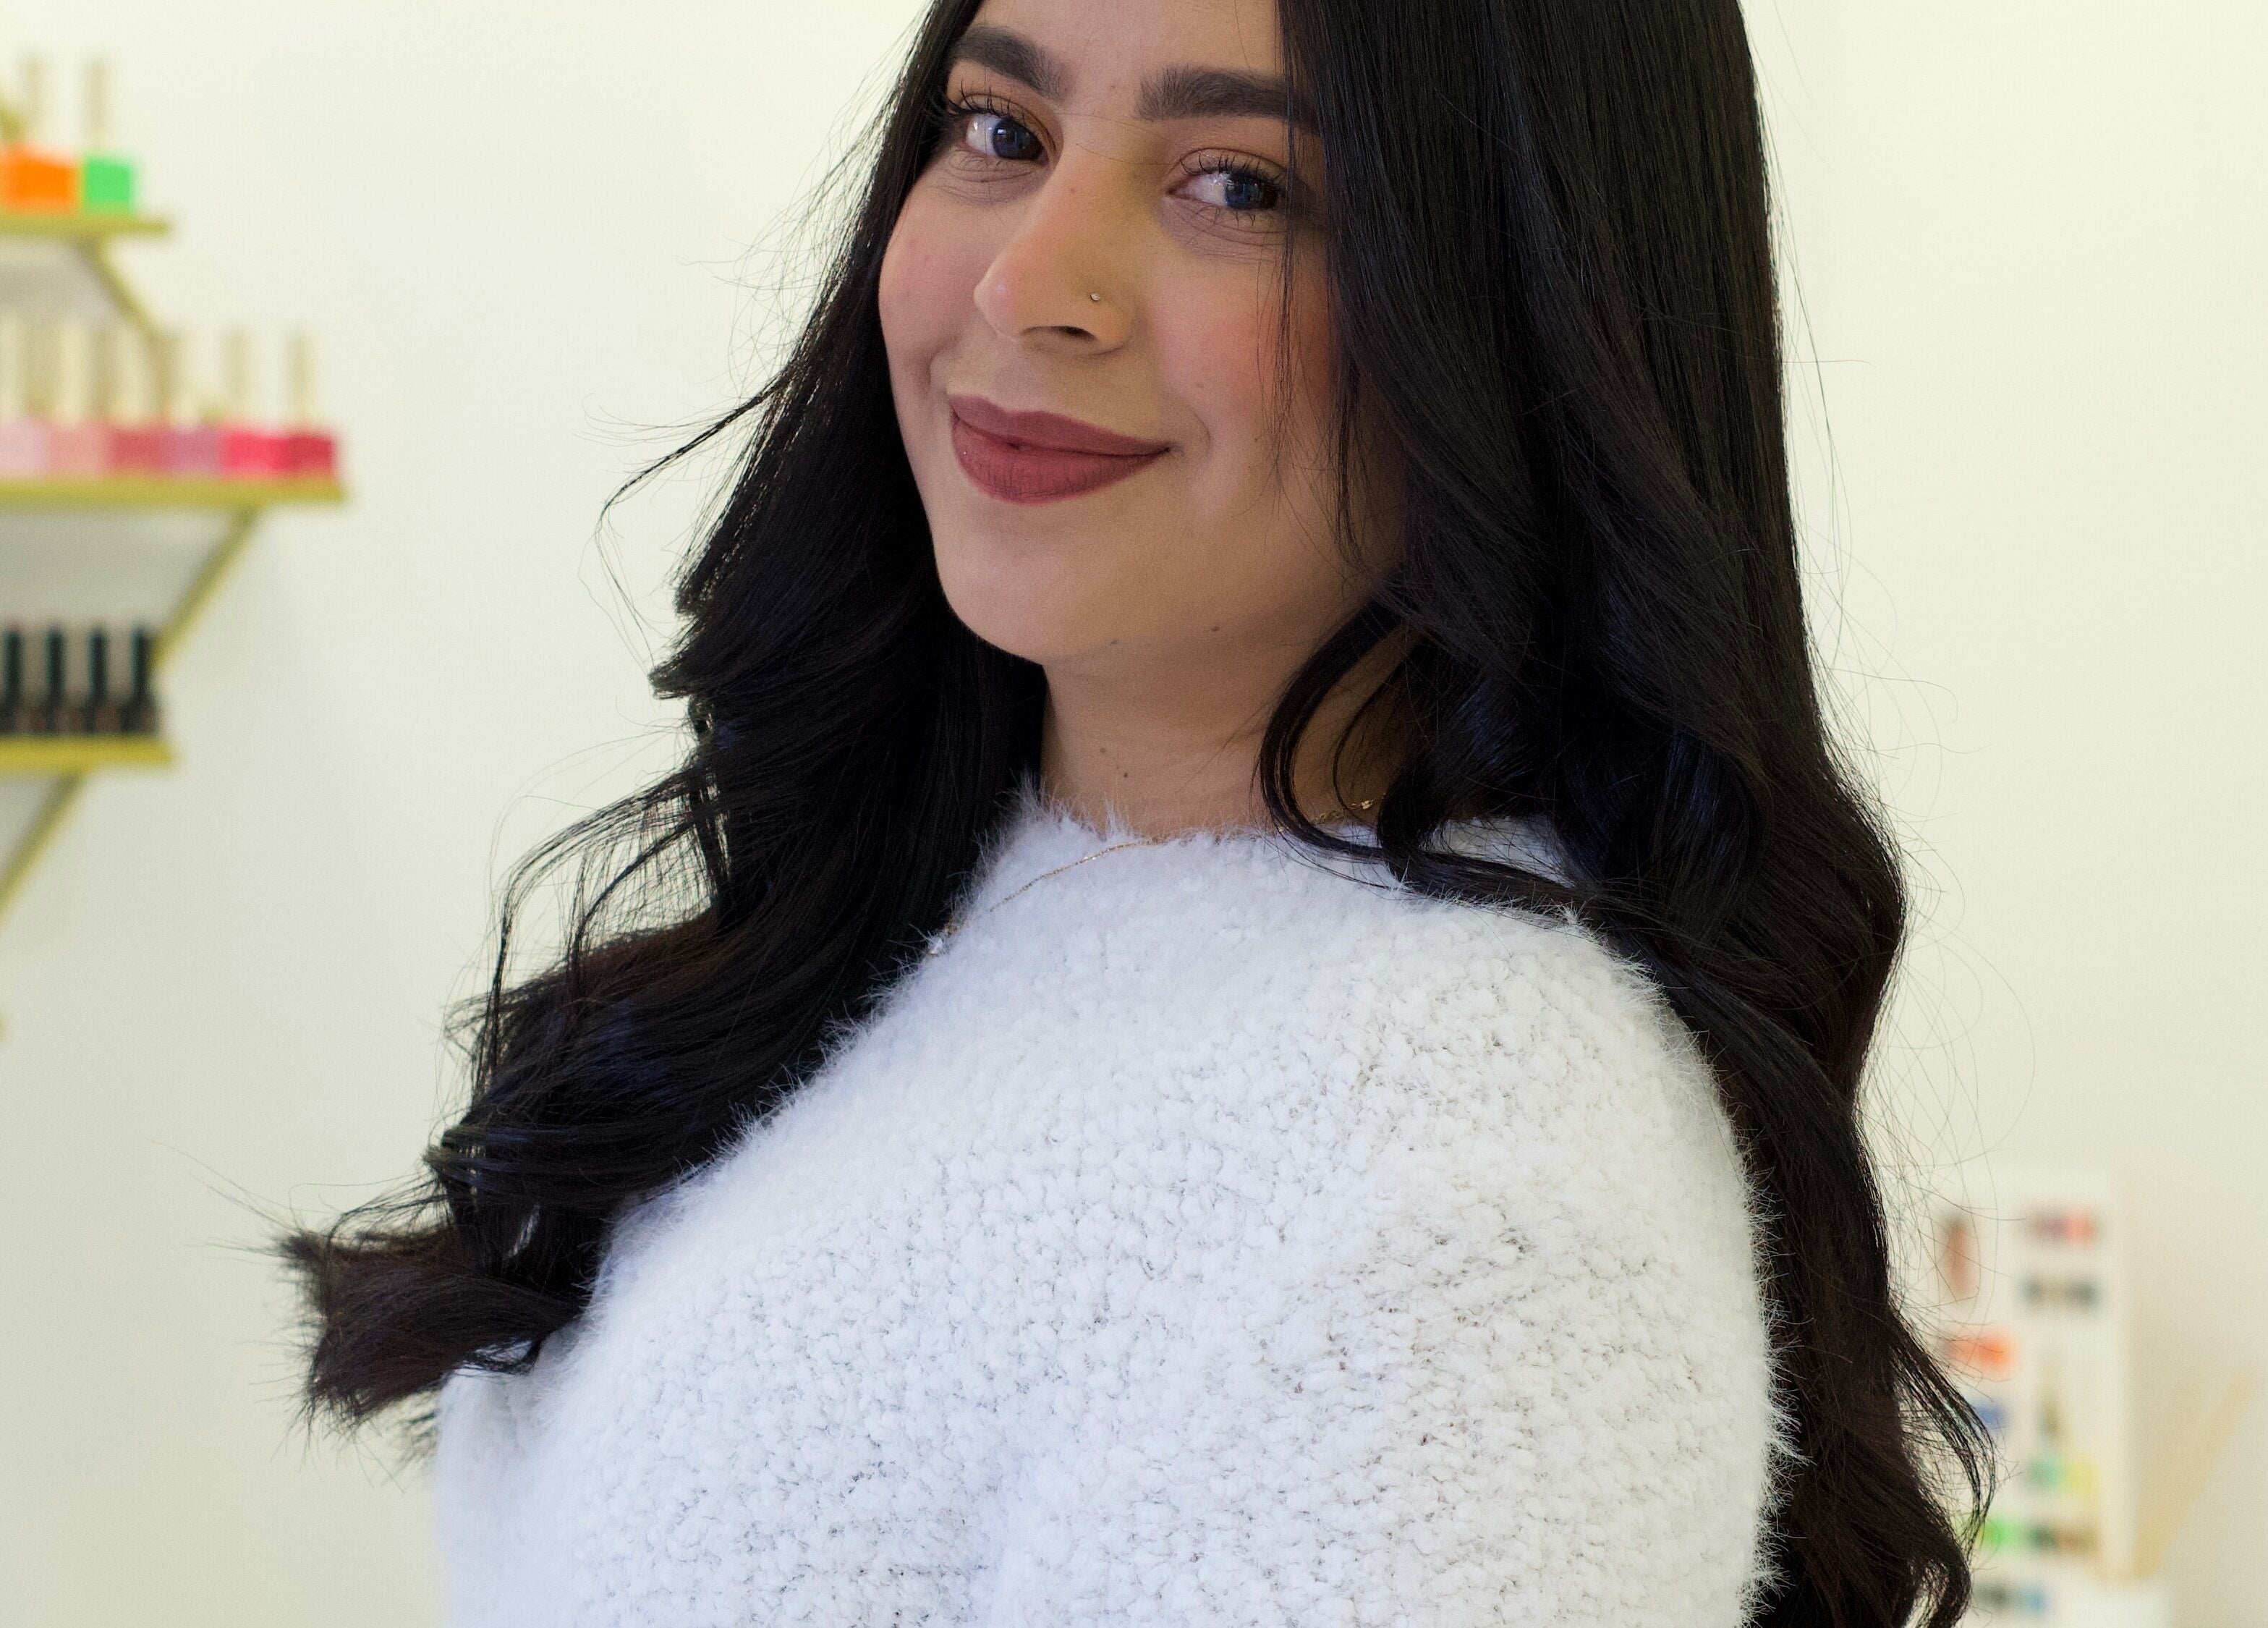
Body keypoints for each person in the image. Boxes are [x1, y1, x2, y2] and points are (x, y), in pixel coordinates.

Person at [286, 0, 1987, 1622]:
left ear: (1519, 306)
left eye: (1237, 186)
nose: (1031, 283)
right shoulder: (925, 930)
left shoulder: (1461, 1227)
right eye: (998, 128)